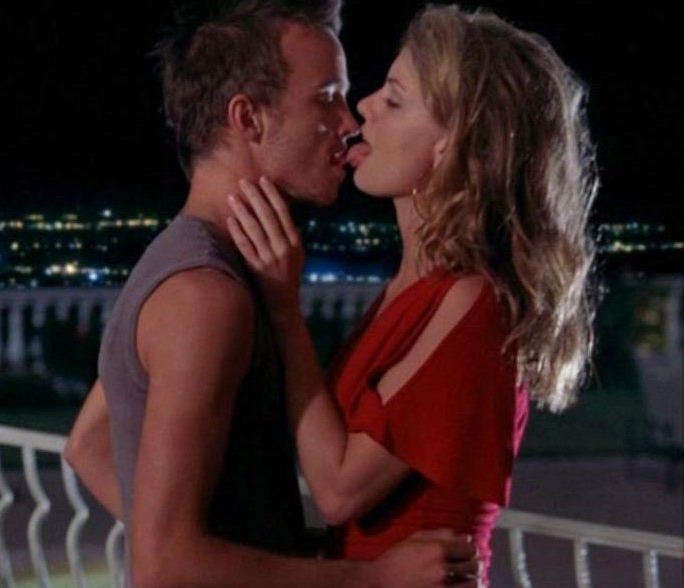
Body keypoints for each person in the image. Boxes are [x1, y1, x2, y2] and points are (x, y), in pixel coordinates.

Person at [64, 2, 479, 587]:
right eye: (327, 98)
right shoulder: (206, 298)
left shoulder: (192, 262)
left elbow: (88, 446)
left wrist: (256, 552)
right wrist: (371, 579)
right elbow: (164, 565)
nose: (348, 122)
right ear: (249, 118)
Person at [226, 5, 598, 585]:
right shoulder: (418, 288)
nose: (364, 108)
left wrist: (283, 306)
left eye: (394, 101)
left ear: (452, 146)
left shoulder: (476, 306)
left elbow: (339, 489)